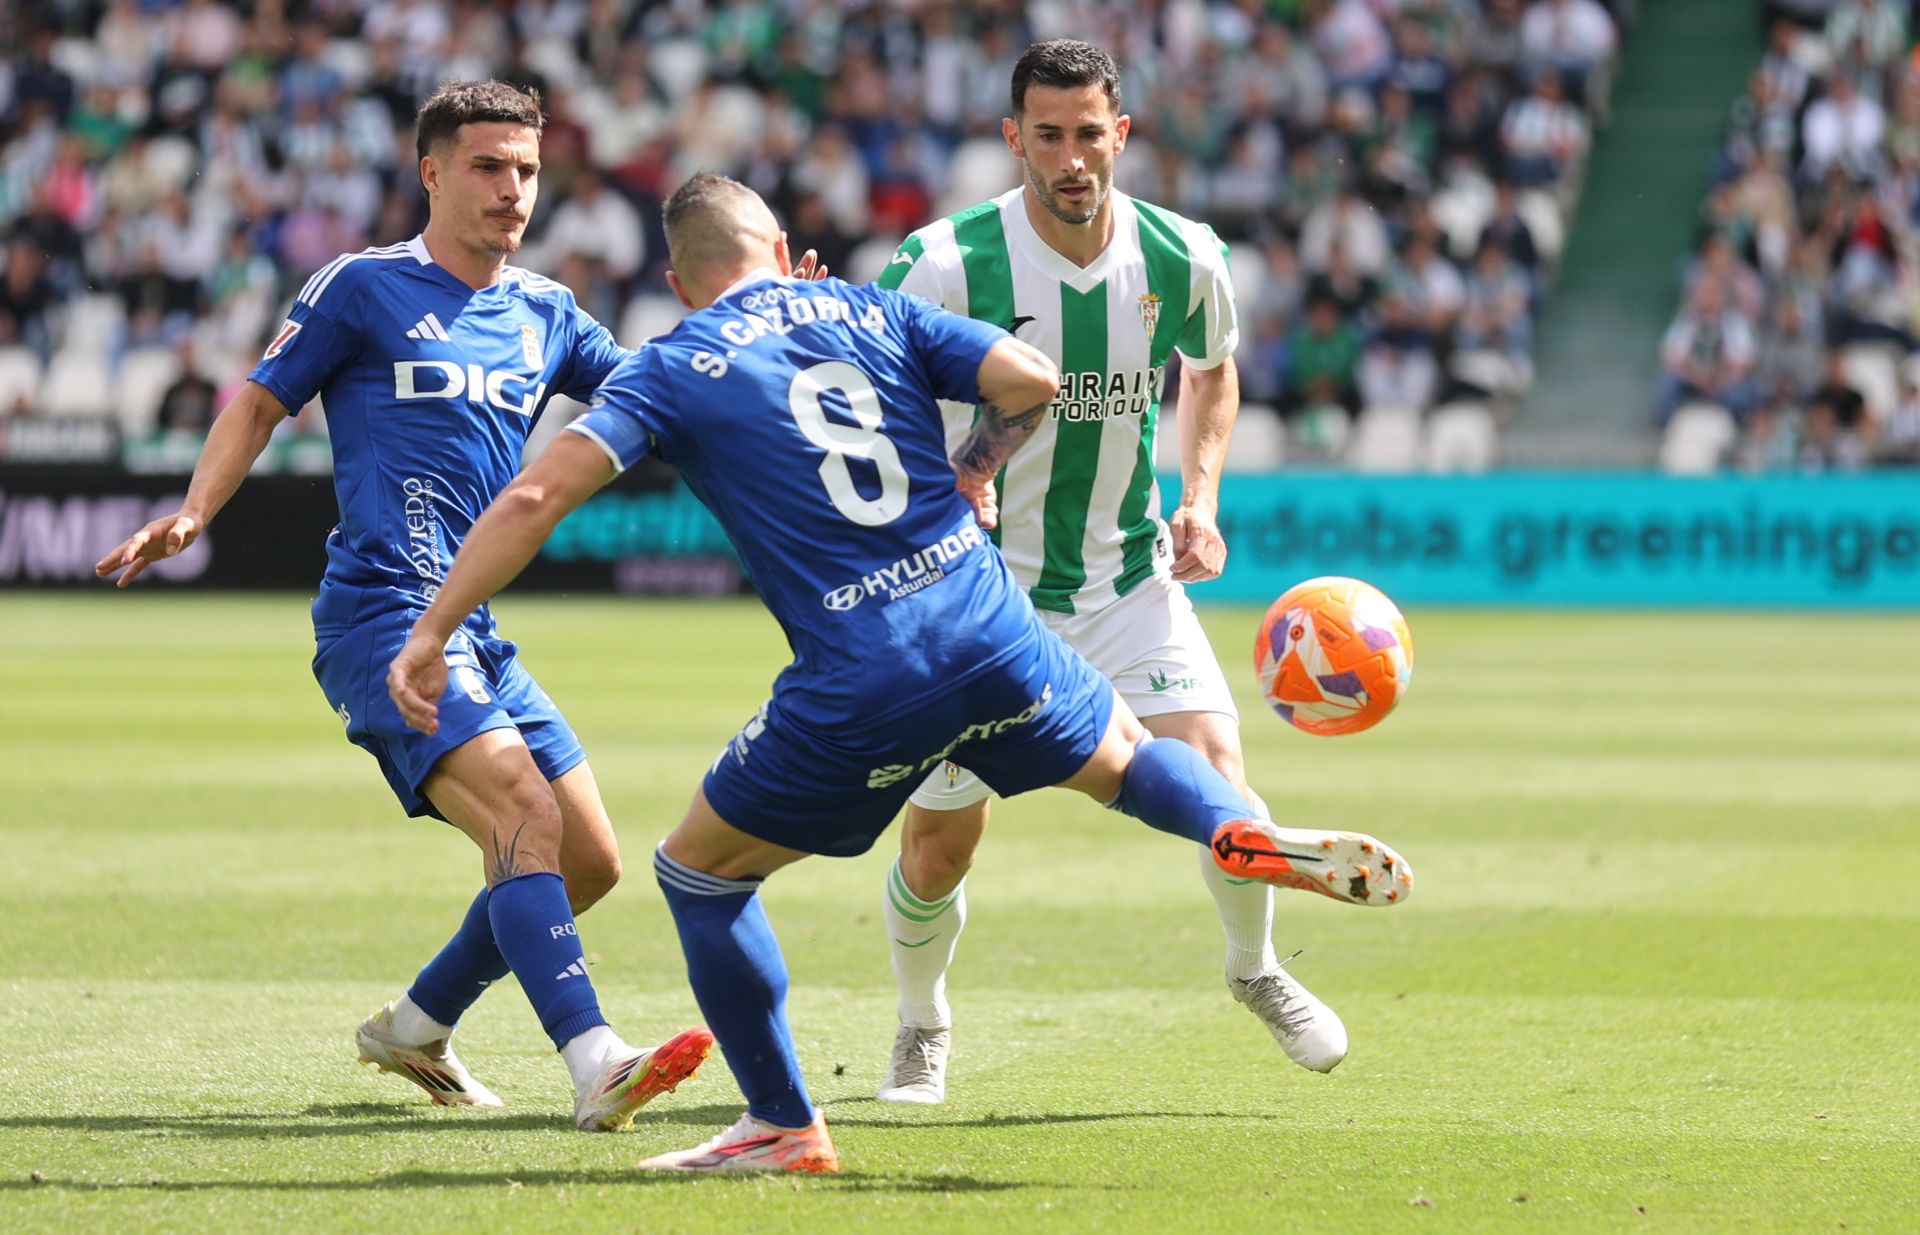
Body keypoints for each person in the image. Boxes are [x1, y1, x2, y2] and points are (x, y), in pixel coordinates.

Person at [386, 170, 1415, 1174]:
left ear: (683, 282)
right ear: (783, 253)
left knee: (699, 871)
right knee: (1130, 756)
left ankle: (783, 1121)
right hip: (988, 618)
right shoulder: (861, 307)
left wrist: (433, 629)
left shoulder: (669, 361)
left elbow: (533, 500)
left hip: (862, 667)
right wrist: (973, 466)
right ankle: (1228, 826)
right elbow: (1032, 379)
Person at [94, 79, 716, 1133]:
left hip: (472, 623)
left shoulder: (547, 311)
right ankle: (595, 1057)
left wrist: (765, 316)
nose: (511, 189)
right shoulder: (363, 288)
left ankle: (417, 1024)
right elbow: (259, 398)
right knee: (525, 812)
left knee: (589, 862)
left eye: (524, 168)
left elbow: (666, 392)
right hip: (383, 614)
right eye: (486, 165)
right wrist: (196, 510)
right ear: (432, 172)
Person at [875, 40, 1360, 1104]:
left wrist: (1202, 496)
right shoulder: (949, 261)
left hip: (1129, 584)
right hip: (979, 602)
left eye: (1088, 132)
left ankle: (1257, 968)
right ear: (1013, 140)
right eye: (1046, 134)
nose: (1070, 156)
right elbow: (874, 390)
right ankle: (920, 1022)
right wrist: (952, 478)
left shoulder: (1181, 254)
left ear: (1120, 134)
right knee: (941, 847)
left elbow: (1214, 371)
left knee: (1225, 781)